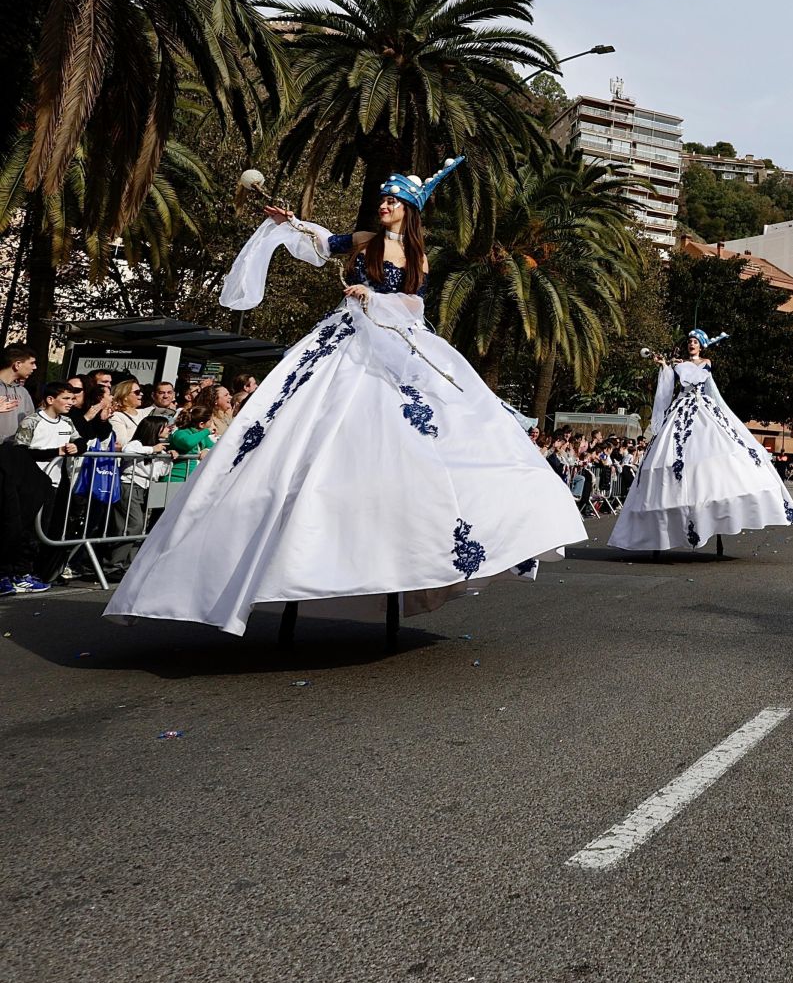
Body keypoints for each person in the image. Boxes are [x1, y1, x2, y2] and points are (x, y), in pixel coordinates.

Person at [106, 157, 586, 636]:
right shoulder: (360, 242)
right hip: (342, 342)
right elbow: (318, 243)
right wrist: (289, 223)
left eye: (393, 199)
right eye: (383, 198)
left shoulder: (418, 255)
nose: (384, 204)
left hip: (394, 344)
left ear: (410, 209)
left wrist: (374, 298)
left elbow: (415, 303)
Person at [608, 329, 793, 552]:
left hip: (704, 410)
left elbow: (712, 392)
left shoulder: (706, 363)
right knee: (673, 458)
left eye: (695, 342)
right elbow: (667, 390)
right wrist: (665, 366)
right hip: (681, 411)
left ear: (701, 345)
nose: (691, 344)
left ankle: (713, 518)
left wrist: (725, 416)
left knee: (715, 454)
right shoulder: (677, 365)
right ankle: (664, 530)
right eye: (689, 341)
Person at [3, 381, 83, 594]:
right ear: (50, 400)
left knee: (44, 531)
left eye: (72, 398)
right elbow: (20, 452)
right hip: (30, 485)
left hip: (56, 484)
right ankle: (17, 574)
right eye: (65, 398)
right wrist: (55, 451)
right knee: (25, 530)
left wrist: (77, 447)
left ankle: (30, 572)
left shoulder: (67, 422)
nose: (71, 403)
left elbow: (79, 440)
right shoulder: (32, 421)